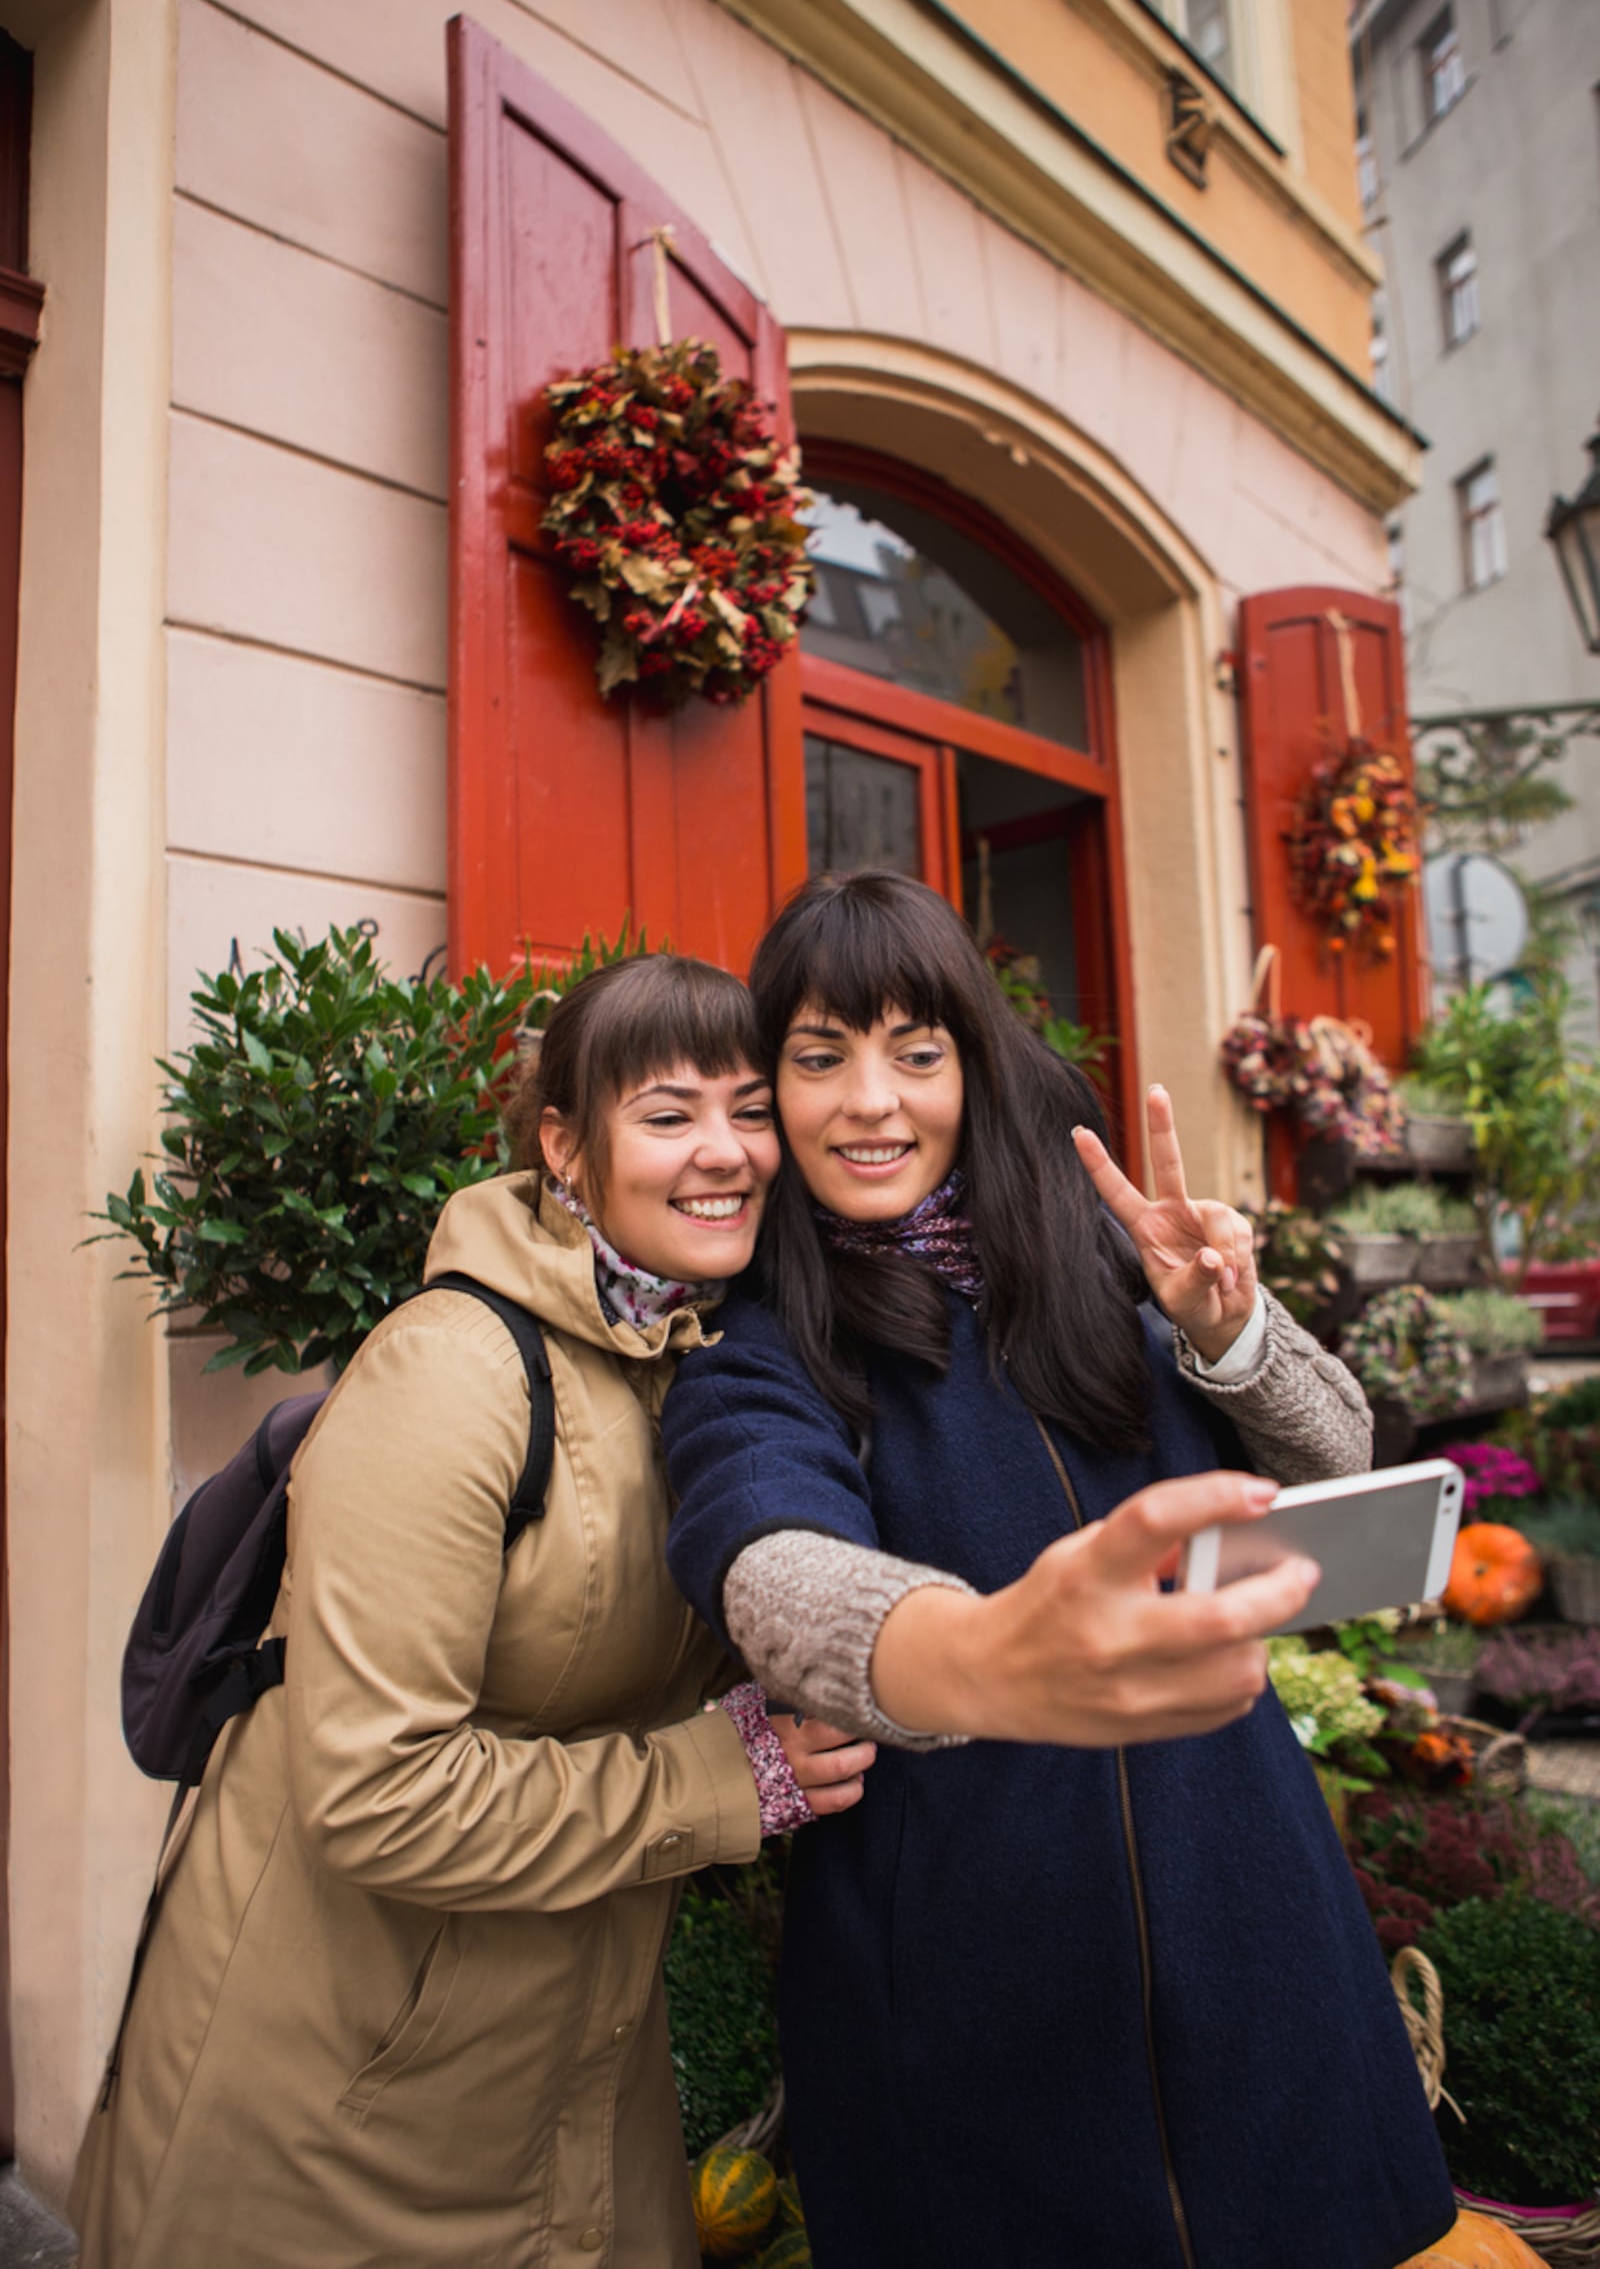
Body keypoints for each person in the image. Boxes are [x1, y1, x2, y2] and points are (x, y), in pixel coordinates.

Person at [663, 873, 1457, 2269]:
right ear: (767, 1089)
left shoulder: (1097, 1259)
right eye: (821, 1055)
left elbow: (1337, 1458)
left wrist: (1231, 1332)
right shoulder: (765, 1348)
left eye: (917, 1053)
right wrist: (977, 1658)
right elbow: (766, 1562)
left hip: (1254, 1916)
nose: (871, 1102)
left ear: (969, 1064)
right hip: (968, 1991)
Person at [71, 953, 873, 2269]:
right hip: (342, 2096)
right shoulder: (454, 1375)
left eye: (749, 1110)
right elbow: (377, 1790)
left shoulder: (694, 1359)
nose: (724, 1152)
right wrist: (720, 1778)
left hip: (569, 2070)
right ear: (565, 1146)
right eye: (668, 1114)